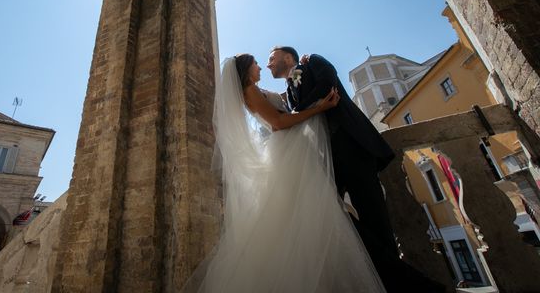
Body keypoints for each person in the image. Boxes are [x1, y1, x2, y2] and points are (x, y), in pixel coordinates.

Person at [182, 54, 385, 293]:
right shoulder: (250, 92)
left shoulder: (256, 90)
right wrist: (319, 107)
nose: (261, 66)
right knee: (307, 217)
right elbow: (278, 121)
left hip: (292, 150)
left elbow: (289, 106)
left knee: (307, 217)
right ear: (247, 70)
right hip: (288, 152)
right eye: (257, 63)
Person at [267, 46, 446, 292]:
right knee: (333, 221)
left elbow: (327, 86)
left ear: (288, 58)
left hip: (351, 146)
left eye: (271, 58)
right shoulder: (289, 89)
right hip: (325, 159)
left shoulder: (312, 62)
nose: (268, 64)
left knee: (374, 216)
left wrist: (301, 110)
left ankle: (401, 285)